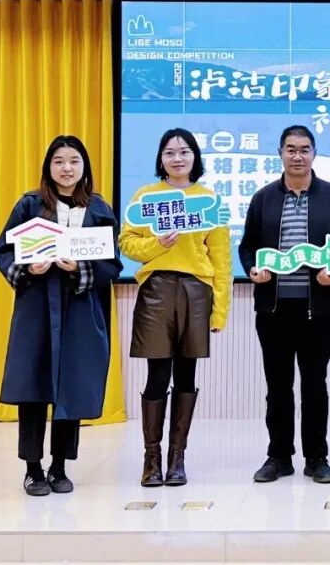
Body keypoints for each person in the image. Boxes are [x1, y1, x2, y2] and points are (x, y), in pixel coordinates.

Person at [0, 135, 122, 496]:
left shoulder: (99, 209)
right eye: (59, 161)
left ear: (84, 167)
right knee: (33, 387)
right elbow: (3, 250)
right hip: (37, 306)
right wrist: (27, 269)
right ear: (48, 167)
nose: (67, 168)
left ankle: (60, 466)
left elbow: (112, 263)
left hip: (79, 308)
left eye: (74, 161)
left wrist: (79, 268)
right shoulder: (30, 205)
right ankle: (33, 469)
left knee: (72, 386)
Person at [240, 125, 330, 484]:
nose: (297, 156)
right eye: (290, 149)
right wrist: (252, 269)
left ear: (314, 154)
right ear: (280, 153)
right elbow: (247, 246)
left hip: (317, 309)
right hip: (273, 309)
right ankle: (278, 457)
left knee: (314, 385)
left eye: (304, 149)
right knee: (277, 387)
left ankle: (317, 457)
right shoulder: (263, 198)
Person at [119, 128, 231, 487]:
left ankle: (177, 459)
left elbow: (222, 260)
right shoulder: (146, 196)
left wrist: (220, 310)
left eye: (184, 151)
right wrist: (157, 244)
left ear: (195, 157)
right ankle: (151, 459)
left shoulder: (208, 200)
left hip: (197, 291)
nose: (177, 158)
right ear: (161, 159)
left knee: (186, 375)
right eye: (169, 152)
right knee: (157, 374)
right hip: (156, 289)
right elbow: (126, 243)